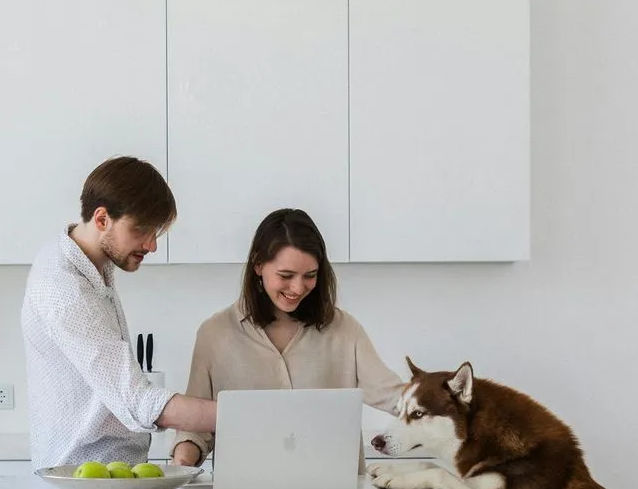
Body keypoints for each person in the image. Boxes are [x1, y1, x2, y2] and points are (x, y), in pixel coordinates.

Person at [22, 156, 217, 469]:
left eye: (156, 232)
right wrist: (242, 415)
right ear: (102, 219)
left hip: (108, 474)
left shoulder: (90, 265)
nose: (151, 245)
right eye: (141, 230)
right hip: (83, 480)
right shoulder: (64, 289)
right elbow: (138, 401)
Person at [170, 208, 401, 468]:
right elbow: (195, 428)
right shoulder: (215, 334)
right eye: (286, 276)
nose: (298, 288)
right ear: (258, 265)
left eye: (310, 276)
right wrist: (182, 463)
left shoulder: (344, 329)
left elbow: (394, 396)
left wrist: (449, 396)